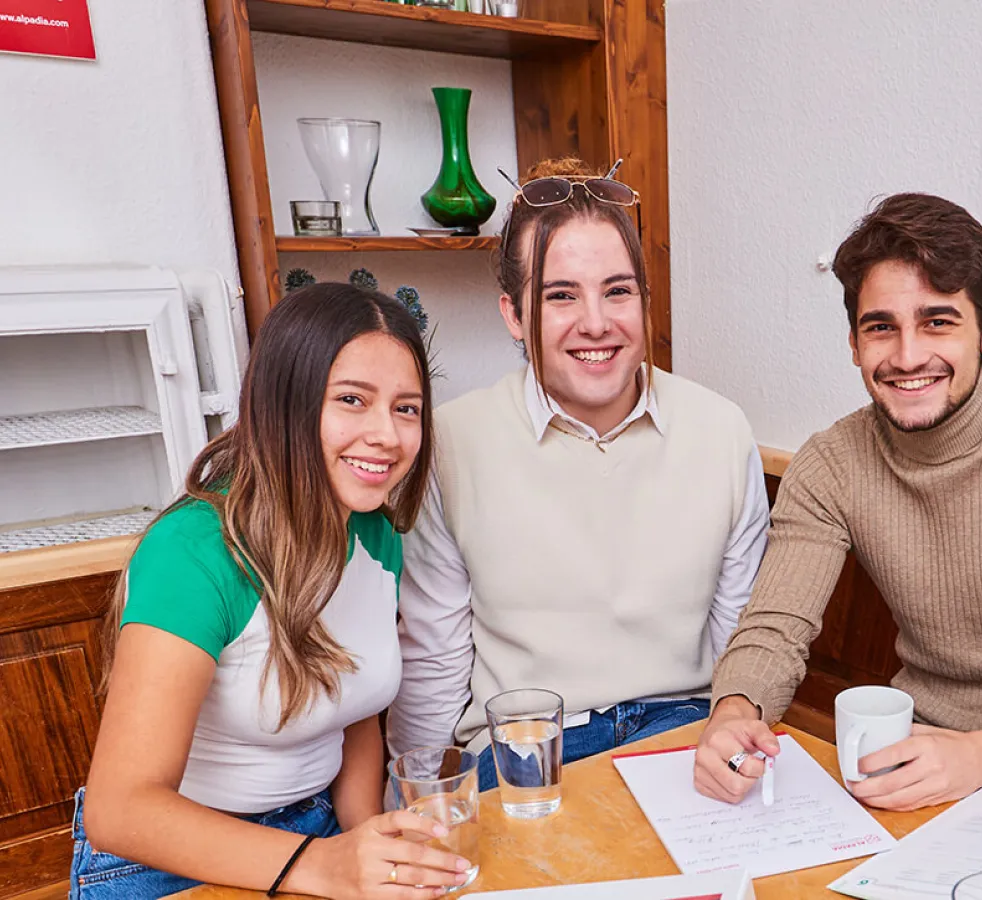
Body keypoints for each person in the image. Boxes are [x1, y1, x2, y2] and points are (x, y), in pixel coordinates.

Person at [693, 192, 982, 812]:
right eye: (882, 327)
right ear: (854, 343)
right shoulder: (831, 463)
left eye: (938, 322)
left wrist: (981, 755)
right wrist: (734, 713)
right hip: (909, 748)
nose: (906, 357)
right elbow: (774, 629)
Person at [72, 284, 471, 900]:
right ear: (284, 403)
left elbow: (358, 707)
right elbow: (120, 810)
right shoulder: (193, 551)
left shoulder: (375, 529)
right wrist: (326, 865)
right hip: (170, 861)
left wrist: (367, 839)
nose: (386, 435)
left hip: (318, 829)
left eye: (406, 408)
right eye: (352, 400)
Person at [387, 158, 768, 779]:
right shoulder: (450, 444)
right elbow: (434, 658)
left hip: (683, 731)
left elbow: (743, 642)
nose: (596, 323)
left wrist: (735, 741)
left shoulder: (721, 430)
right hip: (526, 745)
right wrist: (421, 796)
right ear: (513, 313)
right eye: (561, 295)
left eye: (617, 291)